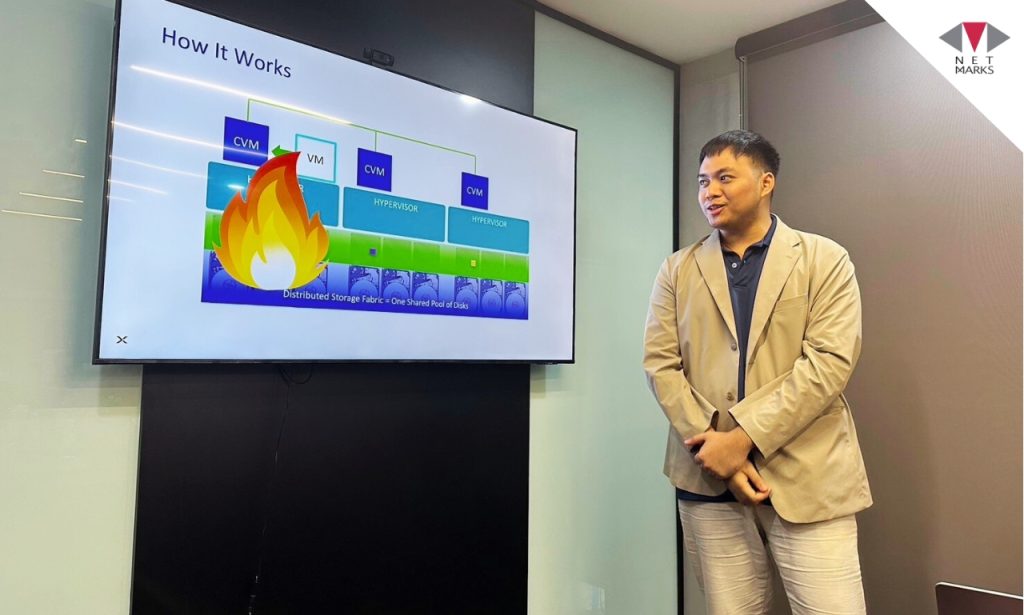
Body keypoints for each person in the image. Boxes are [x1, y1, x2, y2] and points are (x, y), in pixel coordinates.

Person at [643, 130, 872, 614]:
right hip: (707, 480)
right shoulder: (677, 270)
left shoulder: (824, 259)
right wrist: (715, 447)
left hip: (809, 474)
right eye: (703, 181)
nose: (710, 191)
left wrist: (741, 440)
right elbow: (660, 364)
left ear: (766, 182)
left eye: (725, 178)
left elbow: (828, 363)